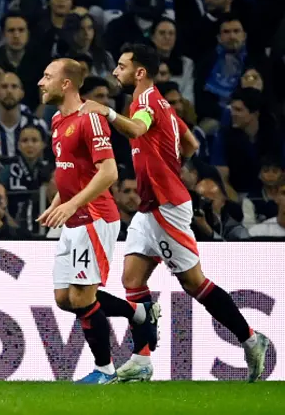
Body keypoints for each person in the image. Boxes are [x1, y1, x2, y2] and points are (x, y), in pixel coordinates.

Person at [79, 43, 270, 382]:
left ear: (139, 72)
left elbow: (137, 129)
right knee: (132, 280)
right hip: (150, 206)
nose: (115, 72)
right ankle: (141, 359)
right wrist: (169, 164)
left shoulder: (146, 101)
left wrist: (106, 113)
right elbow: (191, 144)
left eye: (121, 66)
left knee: (194, 283)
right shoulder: (162, 103)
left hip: (168, 207)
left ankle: (251, 340)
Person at [36, 58, 160, 385]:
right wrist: (55, 205)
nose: (40, 82)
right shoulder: (57, 121)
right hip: (73, 218)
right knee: (64, 299)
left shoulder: (90, 119)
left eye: (47, 76)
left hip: (95, 217)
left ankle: (104, 370)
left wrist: (72, 204)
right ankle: (139, 313)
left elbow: (109, 173)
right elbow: (70, 173)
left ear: (66, 84)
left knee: (81, 298)